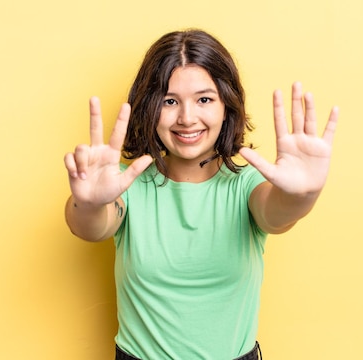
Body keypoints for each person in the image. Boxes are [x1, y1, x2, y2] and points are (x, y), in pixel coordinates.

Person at [64, 29, 338, 360]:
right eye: (169, 101)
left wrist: (303, 195)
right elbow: (92, 225)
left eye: (204, 99)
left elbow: (277, 212)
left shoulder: (246, 186)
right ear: (150, 107)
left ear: (227, 105)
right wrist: (89, 202)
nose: (187, 118)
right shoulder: (124, 184)